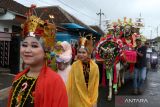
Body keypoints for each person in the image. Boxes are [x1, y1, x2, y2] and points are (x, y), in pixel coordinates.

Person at [7, 8, 68, 107]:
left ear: (45, 52)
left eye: (34, 46)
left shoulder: (55, 81)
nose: (27, 50)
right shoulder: (18, 78)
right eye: (24, 45)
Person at [67, 37, 99, 107]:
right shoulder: (74, 65)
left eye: (83, 52)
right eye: (79, 52)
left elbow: (95, 86)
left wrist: (94, 101)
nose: (81, 54)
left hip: (90, 99)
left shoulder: (95, 67)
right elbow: (70, 83)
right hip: (76, 100)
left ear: (88, 53)